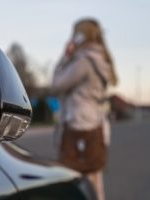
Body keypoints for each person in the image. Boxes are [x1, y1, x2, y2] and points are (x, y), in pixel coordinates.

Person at [51, 18, 118, 200]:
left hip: (79, 126)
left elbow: (57, 84)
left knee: (76, 185)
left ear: (80, 36)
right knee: (95, 185)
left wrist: (65, 56)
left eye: (74, 34)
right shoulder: (100, 59)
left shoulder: (84, 62)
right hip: (97, 126)